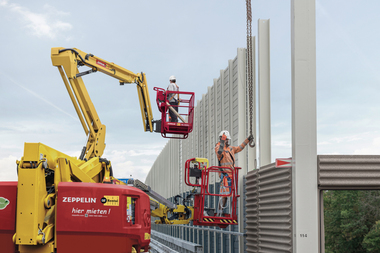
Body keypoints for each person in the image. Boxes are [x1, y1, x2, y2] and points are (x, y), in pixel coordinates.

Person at [214, 130, 253, 216]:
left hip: (231, 176)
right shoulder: (218, 147)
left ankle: (225, 213)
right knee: (224, 195)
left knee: (229, 195)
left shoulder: (230, 149)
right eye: (225, 139)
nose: (227, 141)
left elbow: (239, 148)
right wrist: (222, 141)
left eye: (227, 139)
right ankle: (219, 213)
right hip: (225, 175)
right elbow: (219, 153)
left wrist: (247, 140)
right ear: (221, 138)